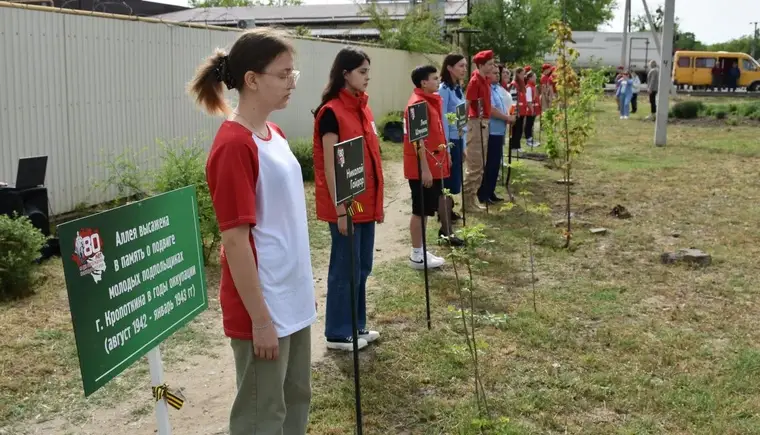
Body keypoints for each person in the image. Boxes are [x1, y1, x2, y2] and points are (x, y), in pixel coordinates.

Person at [189, 28, 316, 435]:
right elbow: (234, 240)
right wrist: (260, 320)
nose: (291, 83)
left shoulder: (273, 134)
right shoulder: (233, 145)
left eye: (293, 74)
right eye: (284, 74)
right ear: (252, 79)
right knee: (262, 416)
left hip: (292, 298)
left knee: (296, 399)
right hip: (265, 308)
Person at [312, 47, 384, 352]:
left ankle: (356, 325)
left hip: (365, 202)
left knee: (362, 266)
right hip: (347, 207)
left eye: (368, 71)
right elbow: (330, 166)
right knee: (345, 268)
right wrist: (341, 210)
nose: (368, 77)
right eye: (362, 71)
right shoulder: (331, 112)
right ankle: (338, 333)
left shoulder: (361, 108)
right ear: (345, 74)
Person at [403, 65, 452, 269]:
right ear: (424, 82)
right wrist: (425, 168)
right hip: (423, 168)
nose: (438, 82)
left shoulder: (429, 101)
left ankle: (421, 249)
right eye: (434, 78)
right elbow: (418, 140)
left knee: (425, 210)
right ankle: (416, 254)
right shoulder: (418, 104)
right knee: (420, 210)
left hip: (432, 165)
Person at [438, 53, 468, 238]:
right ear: (449, 67)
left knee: (453, 185)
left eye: (465, 66)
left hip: (458, 140)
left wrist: (463, 145)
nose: (464, 69)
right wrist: (447, 148)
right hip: (449, 142)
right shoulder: (444, 90)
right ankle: (445, 229)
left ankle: (448, 219)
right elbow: (441, 120)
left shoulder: (457, 88)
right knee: (446, 187)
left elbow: (461, 120)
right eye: (460, 66)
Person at [463, 49, 495, 212]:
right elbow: (467, 104)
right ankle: (467, 200)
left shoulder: (486, 80)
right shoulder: (475, 81)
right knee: (475, 163)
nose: (492, 67)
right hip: (476, 123)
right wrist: (461, 127)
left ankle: (473, 197)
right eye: (489, 64)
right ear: (481, 65)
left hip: (484, 123)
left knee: (481, 164)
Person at [478, 65, 514, 204]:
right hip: (491, 130)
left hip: (499, 130)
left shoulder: (497, 89)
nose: (497, 75)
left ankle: (490, 191)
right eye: (494, 73)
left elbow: (504, 106)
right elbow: (491, 109)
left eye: (498, 73)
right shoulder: (487, 89)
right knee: (490, 164)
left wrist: (510, 115)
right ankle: (483, 194)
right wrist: (507, 118)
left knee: (495, 164)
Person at [524, 71, 540, 147]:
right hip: (530, 110)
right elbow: (529, 100)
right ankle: (528, 140)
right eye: (534, 77)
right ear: (530, 78)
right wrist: (532, 110)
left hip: (532, 109)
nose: (535, 78)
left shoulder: (533, 86)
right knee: (529, 124)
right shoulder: (529, 87)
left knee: (531, 124)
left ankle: (530, 138)